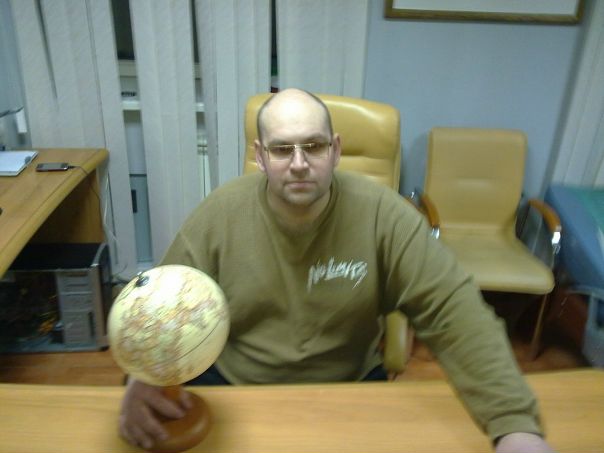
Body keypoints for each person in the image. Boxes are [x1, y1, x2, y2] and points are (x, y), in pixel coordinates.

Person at [119, 88, 555, 453]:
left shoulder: (385, 216)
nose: (299, 163)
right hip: (237, 386)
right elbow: (157, 309)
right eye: (281, 149)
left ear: (336, 149)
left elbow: (454, 313)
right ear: (260, 156)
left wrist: (515, 426)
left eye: (313, 146)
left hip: (349, 385)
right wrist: (141, 378)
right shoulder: (220, 214)